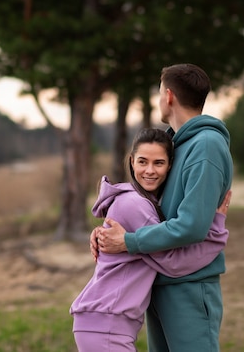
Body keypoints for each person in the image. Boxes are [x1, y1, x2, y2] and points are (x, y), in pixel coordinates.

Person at [93, 63, 234, 352]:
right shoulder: (173, 145)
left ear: (168, 96)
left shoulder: (206, 146)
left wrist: (129, 242)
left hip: (190, 287)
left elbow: (191, 226)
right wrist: (106, 233)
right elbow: (150, 209)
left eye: (158, 93)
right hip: (158, 282)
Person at [71, 127, 230, 352]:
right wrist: (216, 228)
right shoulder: (135, 204)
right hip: (106, 324)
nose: (149, 171)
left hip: (104, 322)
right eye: (143, 162)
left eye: (159, 163)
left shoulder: (136, 201)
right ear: (132, 161)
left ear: (170, 166)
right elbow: (174, 263)